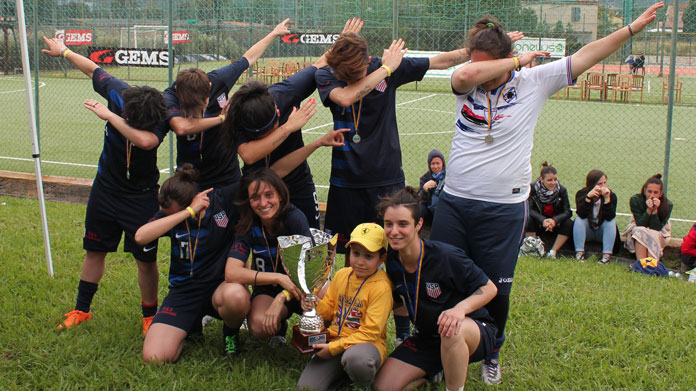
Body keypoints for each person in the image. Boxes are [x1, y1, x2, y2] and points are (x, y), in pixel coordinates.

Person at [431, 3, 664, 384]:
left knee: (496, 286)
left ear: (503, 60)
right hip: (455, 202)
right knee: (442, 279)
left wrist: (630, 30)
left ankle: (492, 349)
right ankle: (441, 352)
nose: (484, 75)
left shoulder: (534, 82)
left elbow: (589, 54)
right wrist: (516, 59)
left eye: (495, 65)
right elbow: (468, 72)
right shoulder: (468, 80)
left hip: (503, 209)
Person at [316, 31, 510, 257]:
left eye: (356, 73)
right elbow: (345, 97)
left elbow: (442, 61)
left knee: (395, 252)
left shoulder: (387, 67)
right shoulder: (328, 73)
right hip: (345, 181)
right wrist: (386, 70)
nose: (350, 78)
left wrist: (484, 50)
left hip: (386, 178)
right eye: (345, 75)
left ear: (368, 61)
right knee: (353, 252)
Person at [42, 36, 168, 334]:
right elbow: (93, 69)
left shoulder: (159, 115)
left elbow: (147, 142)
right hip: (106, 191)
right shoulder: (120, 92)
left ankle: (149, 316)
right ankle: (81, 309)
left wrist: (109, 115)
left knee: (145, 260)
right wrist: (65, 52)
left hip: (141, 196)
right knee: (94, 250)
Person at [222, 18, 362, 227]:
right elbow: (249, 155)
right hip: (258, 187)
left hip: (296, 181)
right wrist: (288, 128)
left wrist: (342, 42)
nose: (266, 136)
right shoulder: (239, 114)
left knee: (312, 239)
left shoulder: (286, 93)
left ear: (277, 111)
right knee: (262, 245)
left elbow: (319, 64)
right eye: (258, 135)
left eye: (271, 129)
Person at [373, 188, 497, 391]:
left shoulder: (445, 256)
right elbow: (399, 300)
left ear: (418, 224)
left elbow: (489, 288)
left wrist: (460, 310)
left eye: (403, 224)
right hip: (428, 337)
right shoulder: (393, 259)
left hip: (471, 329)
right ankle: (436, 368)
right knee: (383, 387)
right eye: (389, 224)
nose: (394, 231)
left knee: (451, 330)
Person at [133, 164, 243, 362]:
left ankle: (230, 334)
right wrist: (186, 213)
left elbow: (258, 179)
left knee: (236, 297)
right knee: (154, 357)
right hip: (183, 293)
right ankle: (190, 327)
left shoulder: (221, 203)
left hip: (219, 288)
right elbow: (141, 237)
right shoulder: (173, 214)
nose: (167, 216)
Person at [164, 19, 291, 189]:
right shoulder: (171, 96)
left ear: (209, 87)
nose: (198, 111)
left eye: (202, 104)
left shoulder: (219, 79)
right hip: (189, 177)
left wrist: (273, 33)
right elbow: (181, 127)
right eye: (191, 107)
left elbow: (248, 58)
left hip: (225, 175)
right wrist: (222, 118)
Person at [296, 223, 392, 391]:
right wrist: (314, 304)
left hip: (365, 345)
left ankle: (363, 382)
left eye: (368, 256)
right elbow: (329, 311)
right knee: (307, 387)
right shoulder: (342, 275)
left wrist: (333, 348)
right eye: (356, 253)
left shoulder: (381, 287)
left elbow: (370, 332)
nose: (360, 262)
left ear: (381, 259)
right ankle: (343, 375)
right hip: (336, 340)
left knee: (357, 361)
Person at [222, 168, 307, 350]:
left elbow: (311, 271)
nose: (263, 203)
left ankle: (330, 341)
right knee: (258, 327)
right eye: (255, 197)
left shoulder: (294, 218)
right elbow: (231, 272)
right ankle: (277, 327)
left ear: (281, 196)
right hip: (268, 290)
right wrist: (277, 278)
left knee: (325, 294)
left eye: (269, 195)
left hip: (301, 288)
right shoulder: (249, 223)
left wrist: (282, 297)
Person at [525, 162, 572, 259]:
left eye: (555, 179)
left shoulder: (562, 190)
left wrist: (554, 220)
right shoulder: (532, 189)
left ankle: (553, 252)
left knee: (568, 223)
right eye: (549, 180)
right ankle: (532, 249)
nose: (553, 183)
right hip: (538, 222)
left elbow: (567, 211)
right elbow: (528, 209)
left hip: (555, 224)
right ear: (542, 179)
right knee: (528, 219)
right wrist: (542, 220)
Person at [625, 173, 673, 262]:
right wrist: (648, 210)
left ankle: (651, 264)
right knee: (640, 231)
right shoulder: (635, 200)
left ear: (661, 193)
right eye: (649, 192)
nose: (652, 195)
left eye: (656, 193)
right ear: (644, 190)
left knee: (653, 234)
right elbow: (640, 223)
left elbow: (656, 228)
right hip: (638, 226)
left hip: (659, 230)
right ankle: (642, 264)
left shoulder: (668, 205)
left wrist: (655, 211)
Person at [573, 169, 618, 264]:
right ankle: (579, 254)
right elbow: (581, 213)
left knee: (611, 222)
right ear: (592, 184)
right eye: (599, 184)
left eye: (604, 183)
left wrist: (607, 200)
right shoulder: (581, 194)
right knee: (579, 220)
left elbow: (610, 216)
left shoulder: (611, 196)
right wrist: (588, 199)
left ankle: (606, 257)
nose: (603, 186)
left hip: (601, 231)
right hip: (587, 231)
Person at [418, 149, 446, 226]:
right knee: (420, 208)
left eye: (438, 163)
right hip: (430, 210)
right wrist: (424, 190)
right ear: (429, 165)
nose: (435, 166)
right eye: (433, 163)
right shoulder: (424, 178)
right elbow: (422, 200)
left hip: (444, 209)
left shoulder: (448, 177)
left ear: (443, 164)